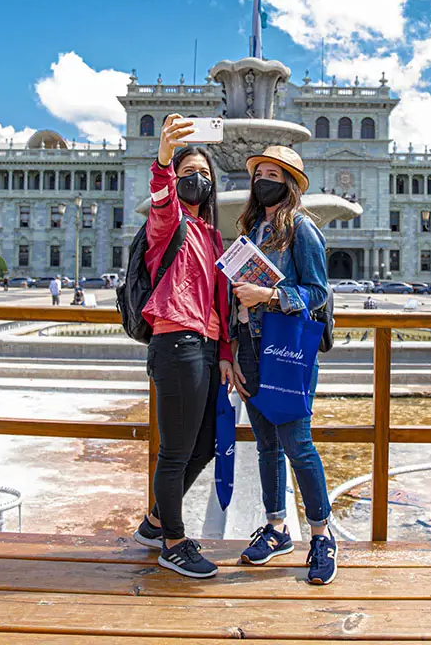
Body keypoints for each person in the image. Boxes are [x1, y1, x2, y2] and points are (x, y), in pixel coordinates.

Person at [226, 145, 337, 586]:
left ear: (289, 183)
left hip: (286, 349)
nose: (262, 179)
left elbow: (318, 291)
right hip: (251, 349)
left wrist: (270, 296)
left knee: (298, 444)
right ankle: (276, 529)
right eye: (258, 173)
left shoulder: (302, 228)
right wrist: (232, 349)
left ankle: (322, 536)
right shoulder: (252, 229)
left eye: (272, 173)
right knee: (266, 444)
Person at [130, 114, 233, 580]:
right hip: (176, 342)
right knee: (174, 451)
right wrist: (164, 158)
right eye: (189, 172)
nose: (197, 179)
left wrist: (226, 352)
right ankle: (173, 541)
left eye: (205, 175)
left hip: (207, 348)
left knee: (206, 443)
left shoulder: (210, 234)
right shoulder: (168, 222)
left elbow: (221, 298)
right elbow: (161, 195)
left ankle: (154, 522)